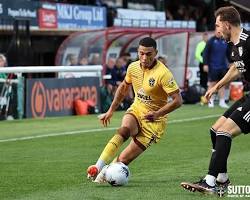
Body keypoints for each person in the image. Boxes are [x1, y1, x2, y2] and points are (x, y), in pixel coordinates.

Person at [87, 37, 182, 183]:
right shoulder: (133, 67)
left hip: (154, 123)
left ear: (155, 52)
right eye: (141, 53)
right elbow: (124, 87)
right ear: (138, 52)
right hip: (137, 109)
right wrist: (111, 110)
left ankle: (105, 173)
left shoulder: (163, 73)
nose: (144, 58)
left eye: (149, 54)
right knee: (124, 130)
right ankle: (98, 166)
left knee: (122, 161)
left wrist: (157, 114)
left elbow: (178, 101)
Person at [181, 6, 250, 195]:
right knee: (215, 130)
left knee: (224, 132)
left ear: (227, 25)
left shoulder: (248, 41)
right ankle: (222, 179)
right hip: (248, 96)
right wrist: (216, 86)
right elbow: (236, 68)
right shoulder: (235, 44)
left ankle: (209, 182)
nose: (217, 29)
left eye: (218, 25)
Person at [203, 29, 230, 108]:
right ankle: (210, 101)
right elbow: (205, 53)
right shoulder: (211, 41)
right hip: (213, 67)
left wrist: (231, 62)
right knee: (212, 84)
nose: (218, 33)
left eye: (220, 31)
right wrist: (205, 64)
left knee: (222, 84)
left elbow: (228, 53)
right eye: (217, 31)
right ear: (214, 32)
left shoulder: (225, 41)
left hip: (223, 66)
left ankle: (222, 101)